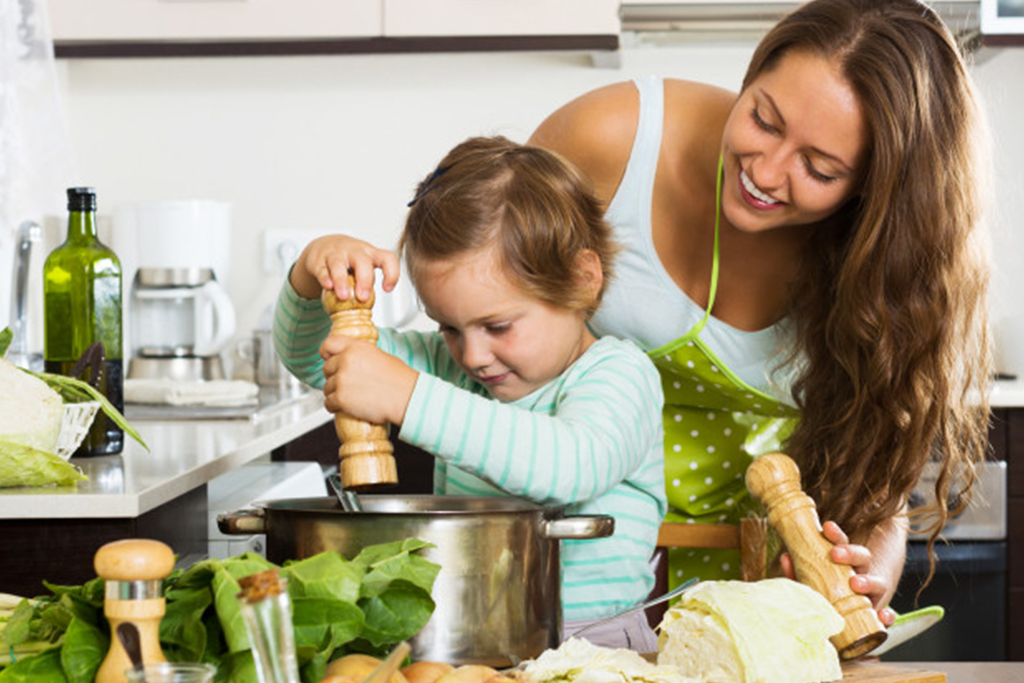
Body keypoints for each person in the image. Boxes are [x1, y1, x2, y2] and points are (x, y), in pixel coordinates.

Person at [527, 0, 991, 626]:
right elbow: (478, 282)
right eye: (763, 120)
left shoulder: (889, 274)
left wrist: (872, 561)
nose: (766, 173)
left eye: (819, 169)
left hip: (764, 599)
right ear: (751, 78)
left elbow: (879, 484)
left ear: (876, 191)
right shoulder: (612, 138)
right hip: (579, 567)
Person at [274, 135, 668, 649]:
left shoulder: (619, 374)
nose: (473, 355)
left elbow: (572, 466)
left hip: (599, 647)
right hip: (466, 639)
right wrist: (310, 276)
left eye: (497, 326)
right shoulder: (450, 370)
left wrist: (407, 397)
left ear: (582, 279)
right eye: (449, 328)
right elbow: (320, 358)